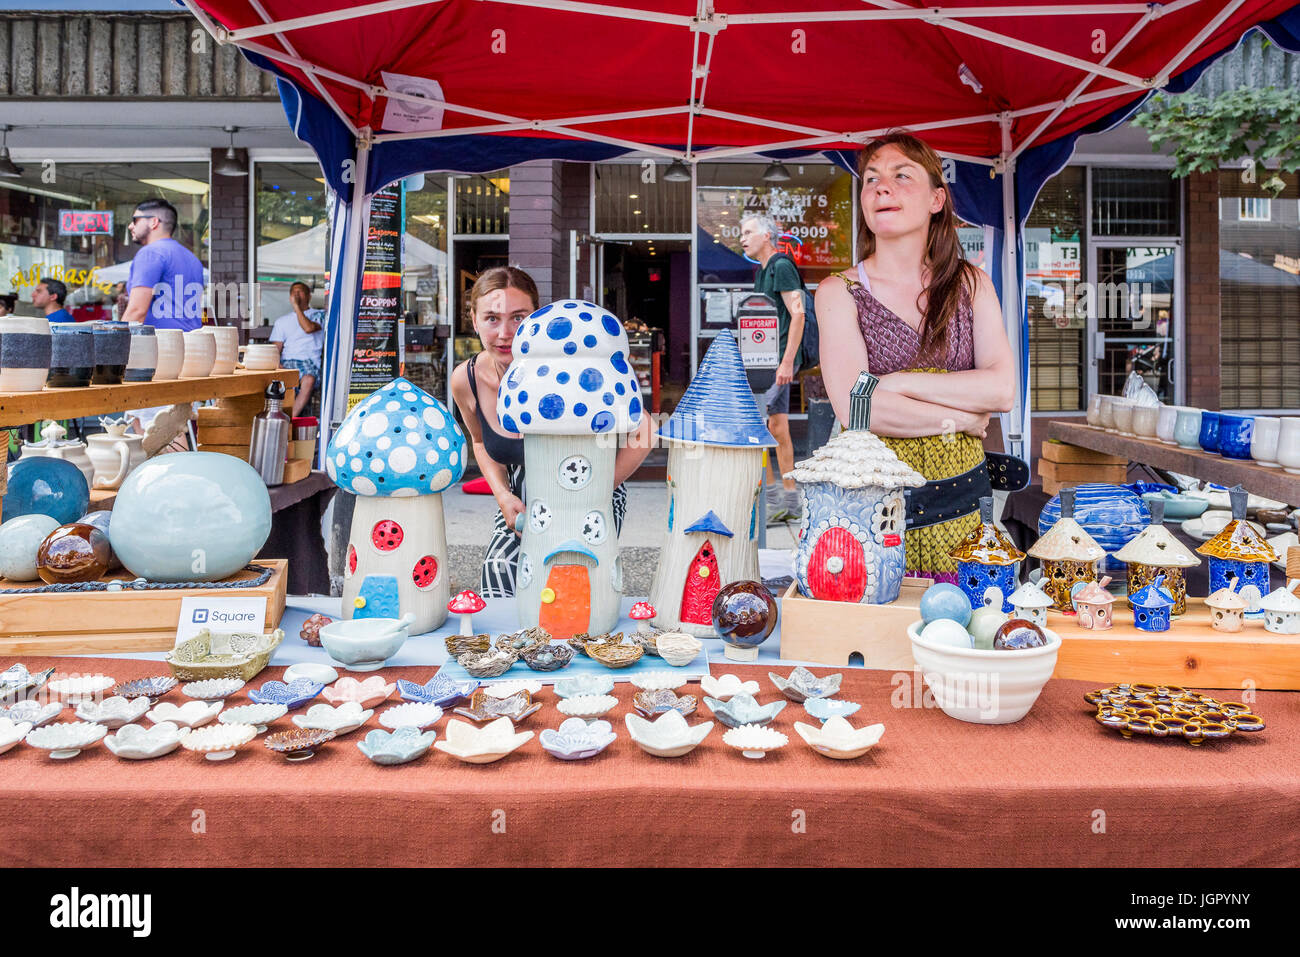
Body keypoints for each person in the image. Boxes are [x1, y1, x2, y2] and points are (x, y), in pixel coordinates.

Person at [815, 130, 1014, 583]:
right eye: (870, 179)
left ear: (936, 199)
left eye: (901, 175)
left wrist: (898, 382)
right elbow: (856, 407)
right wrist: (963, 418)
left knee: (963, 634)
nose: (881, 187)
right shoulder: (838, 293)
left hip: (964, 514)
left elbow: (1002, 390)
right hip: (870, 519)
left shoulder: (971, 284)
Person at [449, 267, 653, 598]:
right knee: (498, 578)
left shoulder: (564, 367)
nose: (505, 332)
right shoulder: (466, 380)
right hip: (522, 497)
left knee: (574, 584)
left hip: (590, 490)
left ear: (537, 319)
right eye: (491, 318)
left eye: (518, 317)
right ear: (473, 320)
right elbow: (479, 441)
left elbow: (645, 426)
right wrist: (502, 495)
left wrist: (600, 487)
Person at [739, 213, 806, 522]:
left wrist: (788, 361)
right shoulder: (762, 271)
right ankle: (787, 503)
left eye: (748, 231)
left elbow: (798, 313)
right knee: (776, 427)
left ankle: (778, 502)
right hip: (765, 363)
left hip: (778, 363)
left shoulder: (780, 266)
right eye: (741, 232)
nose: (742, 237)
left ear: (766, 236)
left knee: (761, 428)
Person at [119, 197, 204, 332]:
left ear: (154, 222)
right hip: (191, 343)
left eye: (135, 220)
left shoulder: (151, 253)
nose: (130, 226)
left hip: (161, 346)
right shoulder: (192, 259)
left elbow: (137, 311)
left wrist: (115, 343)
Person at [270, 281, 325, 417]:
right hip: (287, 363)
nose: (296, 295)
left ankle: (289, 420)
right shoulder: (281, 322)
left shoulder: (320, 315)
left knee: (309, 380)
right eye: (293, 293)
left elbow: (308, 328)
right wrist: (278, 365)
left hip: (309, 363)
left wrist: (296, 307)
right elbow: (275, 350)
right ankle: (274, 417)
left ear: (309, 296)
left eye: (299, 291)